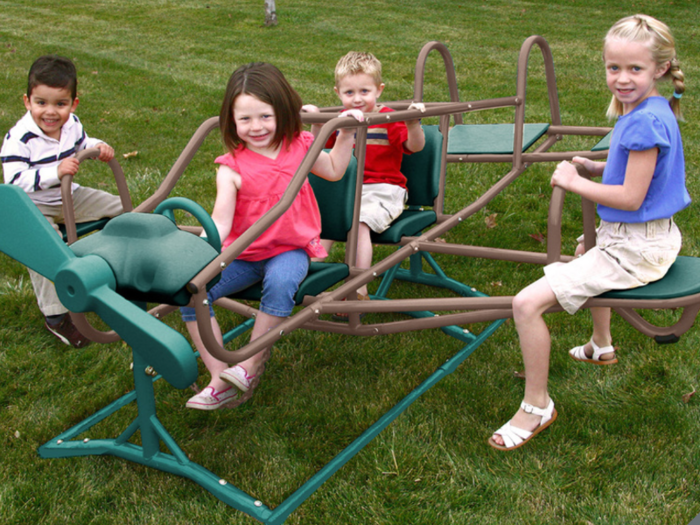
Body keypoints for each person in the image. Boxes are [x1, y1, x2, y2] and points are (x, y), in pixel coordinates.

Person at [489, 14, 689, 450]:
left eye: (634, 69)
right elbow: (643, 174)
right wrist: (599, 167)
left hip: (634, 247)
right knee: (584, 246)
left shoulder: (641, 122)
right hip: (651, 238)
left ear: (658, 68)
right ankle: (601, 345)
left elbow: (633, 197)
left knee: (525, 304)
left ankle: (536, 406)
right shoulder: (653, 110)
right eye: (612, 67)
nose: (621, 79)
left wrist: (574, 182)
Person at [182, 62, 363, 410]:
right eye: (245, 119)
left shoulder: (300, 146)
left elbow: (336, 170)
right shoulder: (231, 167)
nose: (256, 127)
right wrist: (197, 256)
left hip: (289, 249)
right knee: (193, 294)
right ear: (231, 122)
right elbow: (220, 223)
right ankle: (219, 378)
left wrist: (345, 134)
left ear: (281, 111)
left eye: (265, 116)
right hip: (245, 254)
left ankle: (251, 364)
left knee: (281, 283)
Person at [1, 55, 123, 348]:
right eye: (41, 102)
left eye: (60, 104)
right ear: (27, 101)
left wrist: (97, 146)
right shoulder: (19, 139)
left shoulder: (72, 124)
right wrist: (54, 172)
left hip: (68, 196)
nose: (51, 112)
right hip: (31, 206)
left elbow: (83, 143)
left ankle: (123, 270)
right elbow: (15, 181)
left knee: (121, 208)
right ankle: (56, 316)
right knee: (45, 248)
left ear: (73, 104)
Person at [305, 52, 426, 314]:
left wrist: (413, 124)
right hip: (349, 189)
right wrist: (316, 123)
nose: (357, 98)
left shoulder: (388, 118)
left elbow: (415, 147)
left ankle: (358, 288)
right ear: (338, 92)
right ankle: (309, 276)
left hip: (384, 189)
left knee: (357, 222)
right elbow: (317, 151)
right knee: (320, 221)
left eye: (364, 90)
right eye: (349, 92)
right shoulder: (341, 120)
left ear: (379, 90)